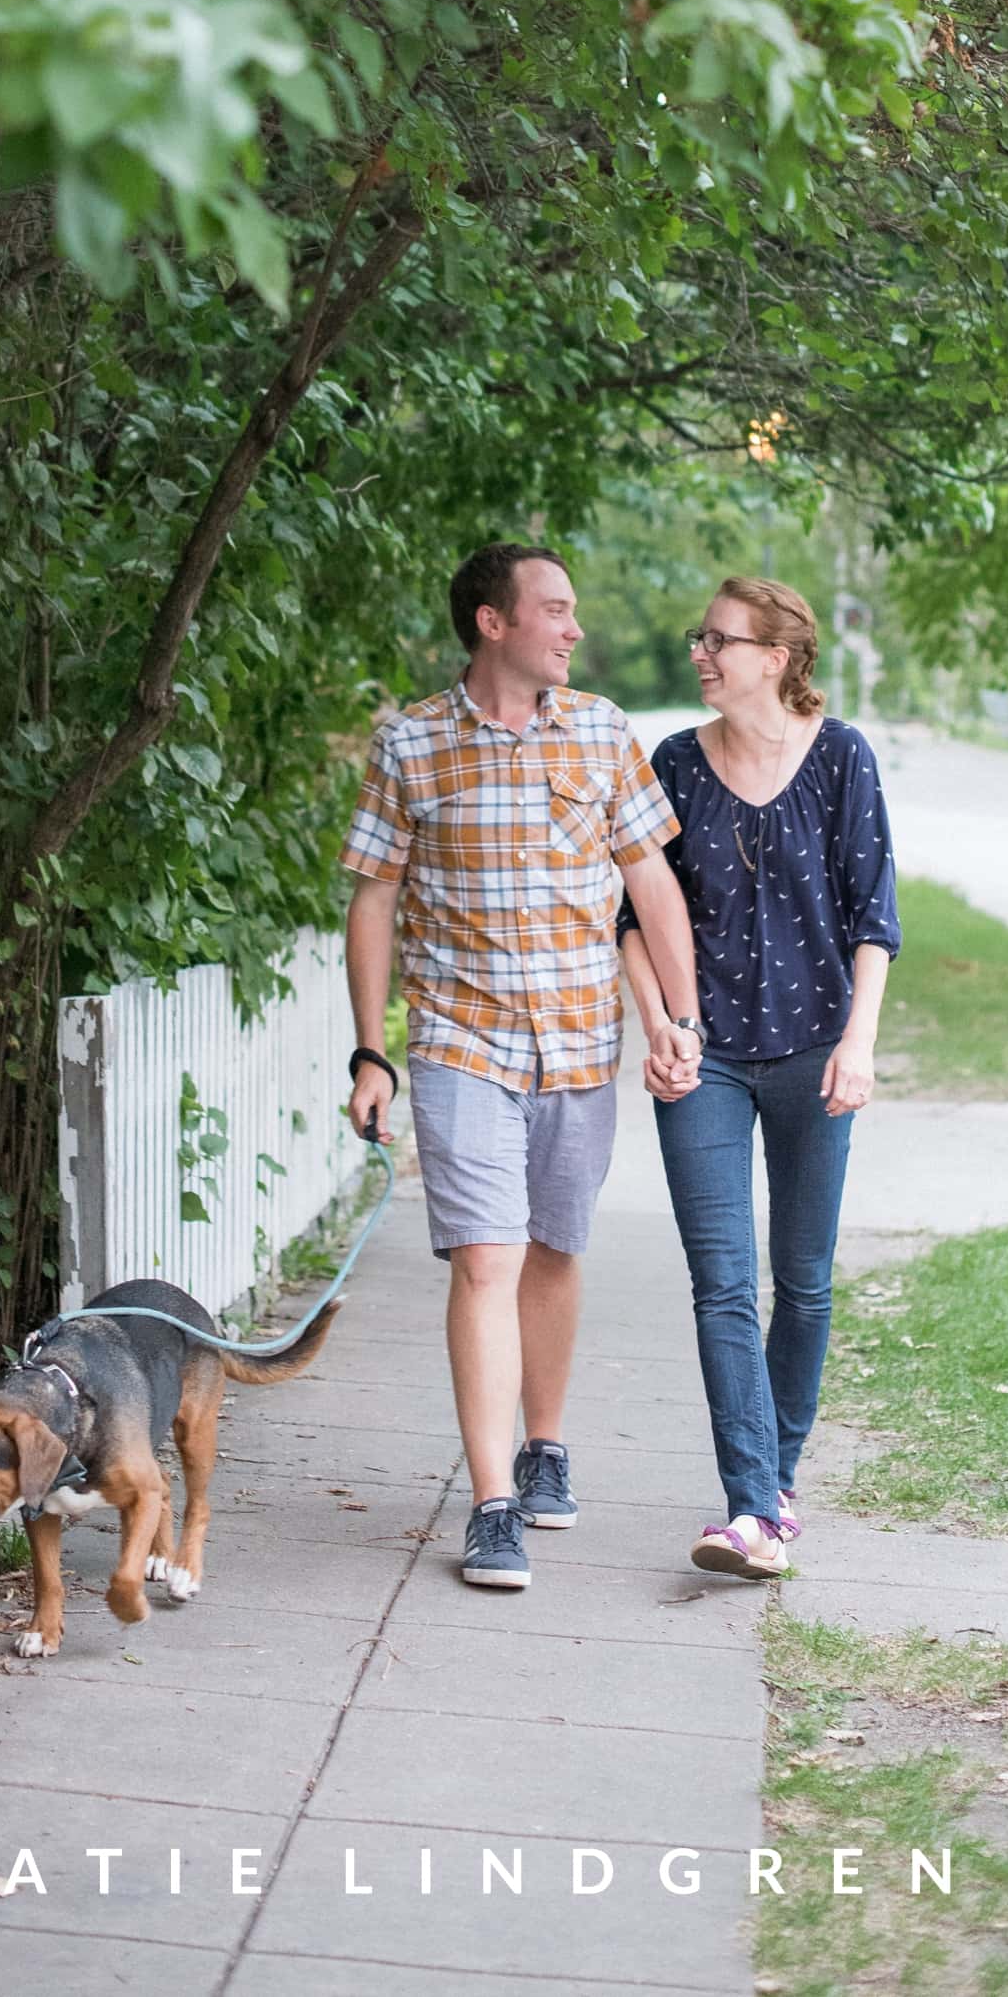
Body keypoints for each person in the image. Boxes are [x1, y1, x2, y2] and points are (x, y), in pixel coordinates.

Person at [340, 542, 706, 1592]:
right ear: (493, 622)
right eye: (553, 608)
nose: (573, 626)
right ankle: (492, 1497)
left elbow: (650, 880)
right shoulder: (410, 742)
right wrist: (372, 1047)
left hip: (582, 1035)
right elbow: (370, 898)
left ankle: (545, 1443)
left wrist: (676, 1016)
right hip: (461, 1037)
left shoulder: (598, 730)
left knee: (552, 1246)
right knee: (485, 1257)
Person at [619, 575, 898, 1580]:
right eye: (700, 635)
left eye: (720, 638)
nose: (702, 650)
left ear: (775, 657)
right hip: (707, 1059)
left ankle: (772, 1482)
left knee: (806, 1286)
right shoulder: (675, 766)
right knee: (722, 1285)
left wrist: (857, 1043)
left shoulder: (839, 757)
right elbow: (634, 921)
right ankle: (748, 1503)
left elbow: (872, 917)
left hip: (814, 1053)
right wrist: (658, 1025)